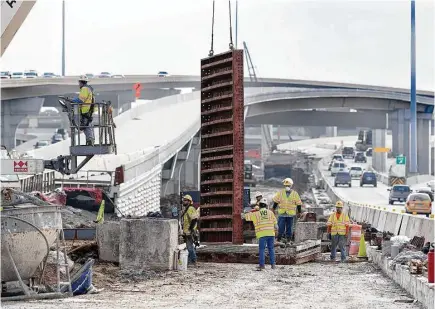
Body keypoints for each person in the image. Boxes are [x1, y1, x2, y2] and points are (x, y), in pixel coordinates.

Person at [243, 198, 277, 270]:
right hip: (271, 233)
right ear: (266, 206)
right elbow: (276, 226)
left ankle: (262, 265)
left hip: (262, 234)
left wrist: (250, 210)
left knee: (262, 249)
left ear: (259, 206)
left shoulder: (256, 214)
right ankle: (273, 265)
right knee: (271, 249)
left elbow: (244, 216)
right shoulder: (271, 213)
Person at [272, 178, 302, 242]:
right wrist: (273, 209)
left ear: (291, 186)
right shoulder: (280, 193)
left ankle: (288, 239)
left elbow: (299, 204)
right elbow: (276, 202)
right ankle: (279, 239)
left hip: (290, 214)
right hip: (282, 214)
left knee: (289, 228)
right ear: (284, 186)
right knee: (280, 227)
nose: (287, 187)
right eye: (286, 186)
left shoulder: (295, 194)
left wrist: (299, 212)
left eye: (288, 186)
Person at [71, 75, 95, 146]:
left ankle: (90, 140)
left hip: (85, 110)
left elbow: (81, 100)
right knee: (87, 126)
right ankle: (90, 140)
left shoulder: (84, 89)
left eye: (79, 82)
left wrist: (72, 100)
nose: (79, 84)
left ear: (81, 82)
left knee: (85, 126)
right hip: (88, 110)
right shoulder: (89, 89)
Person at [181, 194, 199, 266]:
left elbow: (194, 219)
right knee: (189, 247)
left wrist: (190, 229)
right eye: (183, 200)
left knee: (190, 247)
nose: (183, 201)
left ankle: (193, 261)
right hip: (187, 232)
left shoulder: (191, 209)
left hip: (190, 232)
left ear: (189, 201)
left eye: (185, 200)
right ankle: (189, 261)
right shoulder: (186, 209)